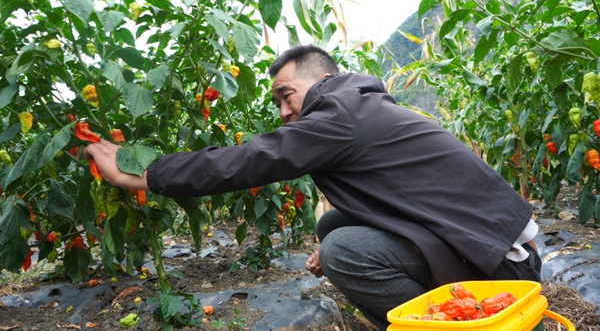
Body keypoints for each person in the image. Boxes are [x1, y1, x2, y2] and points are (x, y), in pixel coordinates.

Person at [84, 44, 541, 330]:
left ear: (322, 80)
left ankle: (452, 326)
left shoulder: (341, 113)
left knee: (344, 249)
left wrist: (143, 175)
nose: (283, 111)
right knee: (334, 226)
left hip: (503, 271)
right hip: (491, 248)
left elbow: (253, 159)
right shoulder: (361, 106)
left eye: (287, 95)